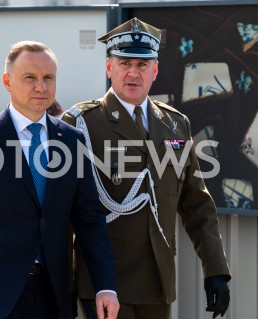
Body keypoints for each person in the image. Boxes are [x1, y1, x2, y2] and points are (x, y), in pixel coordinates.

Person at [0, 40, 119, 319]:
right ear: (7, 81)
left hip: (52, 295)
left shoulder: (72, 141)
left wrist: (106, 286)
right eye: (30, 78)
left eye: (48, 78)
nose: (41, 87)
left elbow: (90, 219)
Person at [62, 18, 231, 319]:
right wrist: (66, 284)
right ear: (109, 67)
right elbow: (63, 213)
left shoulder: (175, 124)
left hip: (157, 279)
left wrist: (215, 269)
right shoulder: (82, 124)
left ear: (155, 71)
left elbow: (197, 205)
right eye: (124, 62)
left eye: (142, 64)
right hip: (103, 283)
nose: (133, 72)